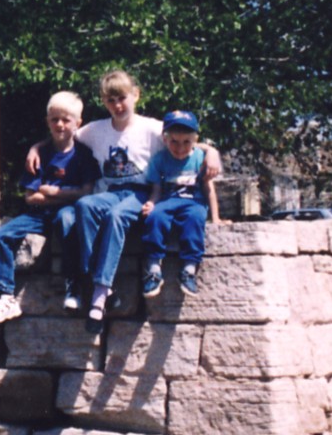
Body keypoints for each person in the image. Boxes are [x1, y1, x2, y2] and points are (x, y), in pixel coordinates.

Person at [25, 69, 221, 333]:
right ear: (104, 102)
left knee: (116, 216)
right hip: (109, 192)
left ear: (135, 96)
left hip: (139, 191)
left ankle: (100, 292)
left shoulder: (151, 128)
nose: (117, 105)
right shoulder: (95, 131)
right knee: (84, 206)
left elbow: (185, 142)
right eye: (110, 100)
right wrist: (35, 148)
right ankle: (101, 282)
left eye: (122, 98)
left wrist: (213, 153)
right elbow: (63, 135)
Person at [0, 91, 99, 327]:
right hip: (38, 216)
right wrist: (62, 195)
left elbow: (87, 192)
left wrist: (53, 192)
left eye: (66, 120)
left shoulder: (83, 155)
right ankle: (6, 296)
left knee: (67, 221)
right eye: (55, 119)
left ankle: (72, 285)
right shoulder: (40, 155)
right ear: (47, 121)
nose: (60, 125)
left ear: (78, 123)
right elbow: (31, 197)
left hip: (68, 213)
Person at [140, 110, 221, 297]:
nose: (180, 147)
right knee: (155, 217)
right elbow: (156, 189)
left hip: (193, 202)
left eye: (186, 142)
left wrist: (215, 217)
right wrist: (151, 203)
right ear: (165, 139)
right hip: (168, 201)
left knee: (195, 219)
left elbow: (209, 188)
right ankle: (153, 269)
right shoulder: (159, 159)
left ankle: (189, 270)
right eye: (174, 141)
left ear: (195, 140)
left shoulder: (200, 158)